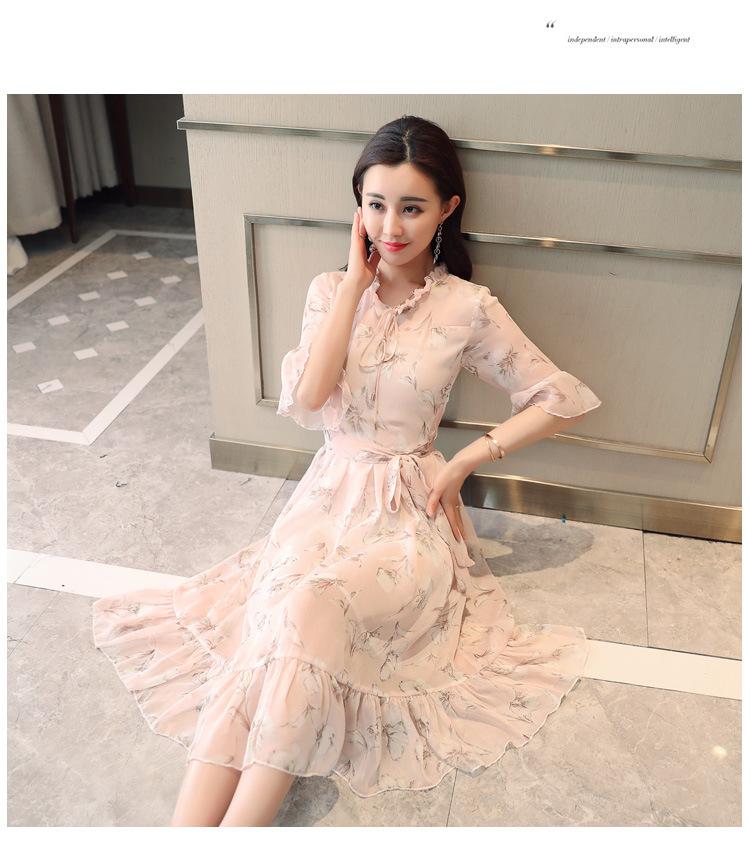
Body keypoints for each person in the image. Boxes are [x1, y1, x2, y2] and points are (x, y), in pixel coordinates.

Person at [91, 115, 602, 827]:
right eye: (375, 204)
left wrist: (464, 460)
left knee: (313, 606)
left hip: (408, 515)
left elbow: (560, 397)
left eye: (412, 207)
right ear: (357, 206)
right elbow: (306, 401)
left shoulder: (466, 308)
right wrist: (355, 284)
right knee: (275, 618)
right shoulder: (329, 291)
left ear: (448, 208)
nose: (390, 226)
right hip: (325, 499)